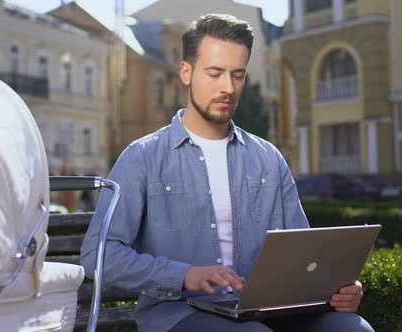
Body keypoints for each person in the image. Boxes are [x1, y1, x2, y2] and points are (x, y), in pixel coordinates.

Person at [80, 14, 373, 332]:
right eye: (215, 73)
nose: (228, 87)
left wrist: (337, 288)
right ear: (186, 72)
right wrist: (184, 274)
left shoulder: (268, 158)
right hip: (180, 313)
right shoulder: (143, 157)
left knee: (353, 328)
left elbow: (302, 252)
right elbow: (99, 253)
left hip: (266, 310)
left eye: (238, 75)